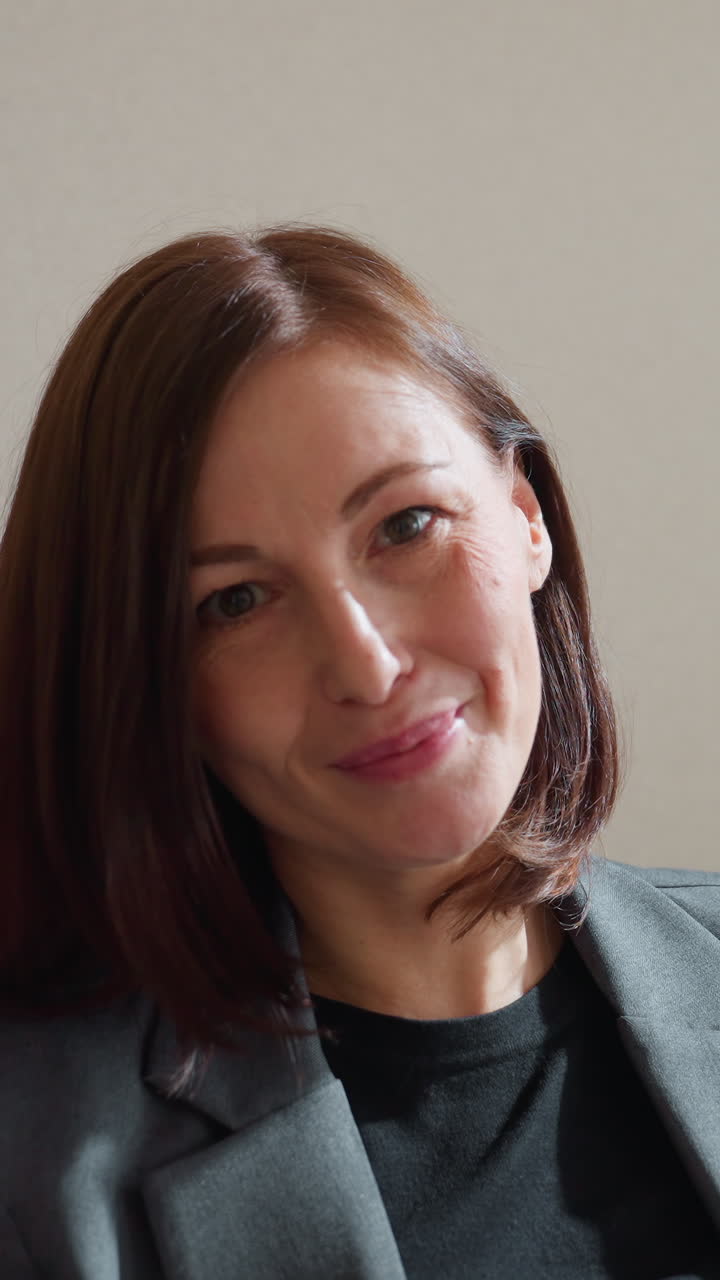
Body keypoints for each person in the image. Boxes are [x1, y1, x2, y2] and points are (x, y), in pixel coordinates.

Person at [0, 224, 718, 1280]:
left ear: (525, 517)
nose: (367, 664)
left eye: (407, 524)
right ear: (152, 681)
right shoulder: (32, 1158)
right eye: (235, 600)